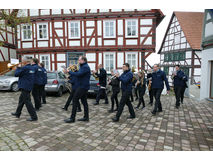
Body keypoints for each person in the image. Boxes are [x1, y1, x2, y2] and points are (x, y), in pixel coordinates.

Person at [64, 56, 91, 123]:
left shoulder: (85, 67)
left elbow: (79, 74)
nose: (78, 62)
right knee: (84, 102)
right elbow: (78, 74)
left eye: (79, 60)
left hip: (82, 87)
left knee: (75, 99)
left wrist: (69, 71)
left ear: (83, 60)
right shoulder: (83, 66)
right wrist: (69, 73)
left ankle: (72, 118)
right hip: (82, 86)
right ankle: (86, 117)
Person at [11, 57, 38, 121]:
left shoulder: (25, 68)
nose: (21, 62)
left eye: (22, 61)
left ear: (25, 62)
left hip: (24, 86)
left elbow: (16, 74)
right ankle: (17, 113)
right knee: (21, 100)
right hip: (28, 86)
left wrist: (18, 68)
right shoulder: (32, 67)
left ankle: (34, 117)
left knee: (28, 102)